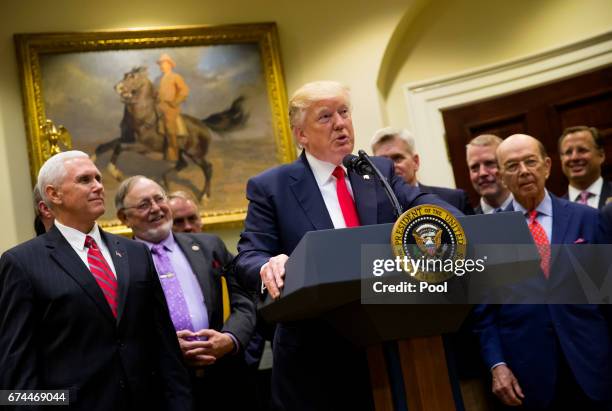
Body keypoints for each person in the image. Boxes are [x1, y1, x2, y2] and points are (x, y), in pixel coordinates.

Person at [234, 80, 461, 410]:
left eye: (344, 112)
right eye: (325, 117)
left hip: (390, 339)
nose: (340, 123)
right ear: (301, 134)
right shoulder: (273, 187)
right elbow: (249, 255)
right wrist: (269, 264)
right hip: (316, 352)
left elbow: (419, 200)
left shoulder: (375, 170)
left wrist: (460, 222)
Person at [0, 151, 191, 410]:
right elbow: (17, 366)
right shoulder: (22, 262)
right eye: (85, 180)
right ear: (54, 194)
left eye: (98, 178)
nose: (99, 186)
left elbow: (163, 344)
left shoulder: (135, 253)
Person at [474, 134, 612, 410]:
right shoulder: (488, 235)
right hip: (529, 376)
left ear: (547, 166)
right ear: (501, 176)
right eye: (512, 166)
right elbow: (483, 313)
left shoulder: (586, 218)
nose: (524, 171)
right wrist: (497, 365)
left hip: (593, 364)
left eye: (530, 161)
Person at [116, 175, 256, 410]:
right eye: (143, 204)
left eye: (159, 199)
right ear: (124, 217)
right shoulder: (118, 263)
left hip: (225, 379)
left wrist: (230, 338)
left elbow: (244, 298)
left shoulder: (208, 246)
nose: (156, 209)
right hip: (161, 387)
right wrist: (166, 348)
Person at [371, 127, 474, 215]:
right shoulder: (372, 211)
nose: (391, 166)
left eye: (397, 158)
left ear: (415, 162)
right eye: (383, 161)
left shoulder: (454, 199)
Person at [559, 126, 612, 209]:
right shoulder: (555, 210)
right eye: (568, 152)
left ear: (601, 155)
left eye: (582, 150)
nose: (574, 158)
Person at [466, 134, 512, 214]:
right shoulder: (466, 223)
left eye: (490, 163)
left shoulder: (531, 211)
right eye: (474, 167)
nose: (482, 173)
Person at [156, 53, 189, 162]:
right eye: (160, 64)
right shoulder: (159, 79)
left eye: (163, 64)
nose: (161, 66)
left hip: (171, 108)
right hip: (159, 107)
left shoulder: (175, 77)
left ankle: (174, 155)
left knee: (170, 128)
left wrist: (175, 102)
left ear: (170, 65)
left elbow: (184, 91)